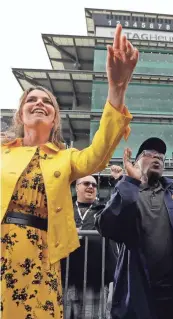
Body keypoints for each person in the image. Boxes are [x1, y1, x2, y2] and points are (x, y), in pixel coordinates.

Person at [1, 24, 138, 319]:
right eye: (31, 100)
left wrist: (117, 88)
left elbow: (98, 154)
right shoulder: (2, 152)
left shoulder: (65, 158)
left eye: (47, 101)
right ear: (20, 114)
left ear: (54, 119)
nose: (39, 103)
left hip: (41, 255)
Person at [95, 137, 173, 319]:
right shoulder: (127, 192)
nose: (156, 158)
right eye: (149, 154)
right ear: (136, 162)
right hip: (138, 291)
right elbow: (107, 227)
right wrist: (128, 183)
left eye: (161, 157)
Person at [62, 175, 118, 319]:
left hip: (95, 280)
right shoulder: (65, 210)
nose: (91, 187)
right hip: (66, 277)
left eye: (94, 185)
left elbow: (121, 207)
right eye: (86, 183)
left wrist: (117, 181)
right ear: (77, 187)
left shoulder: (104, 209)